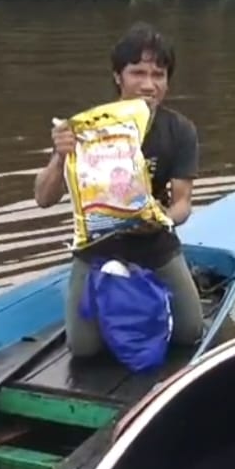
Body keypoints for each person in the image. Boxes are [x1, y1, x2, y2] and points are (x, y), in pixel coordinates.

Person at [34, 21, 205, 358]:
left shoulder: (180, 130)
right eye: (137, 73)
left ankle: (154, 297)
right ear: (118, 76)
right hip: (98, 244)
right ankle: (119, 297)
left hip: (155, 243)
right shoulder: (88, 128)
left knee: (190, 333)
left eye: (158, 75)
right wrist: (59, 155)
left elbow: (183, 203)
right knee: (82, 350)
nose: (149, 85)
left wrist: (163, 220)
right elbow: (43, 198)